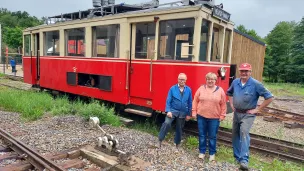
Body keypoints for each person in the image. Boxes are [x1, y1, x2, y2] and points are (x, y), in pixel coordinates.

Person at [227, 63, 274, 170]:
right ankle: (237, 156)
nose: (244, 73)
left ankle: (244, 160)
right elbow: (229, 93)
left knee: (244, 133)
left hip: (248, 114)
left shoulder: (256, 84)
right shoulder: (235, 82)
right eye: (242, 71)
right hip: (237, 113)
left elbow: (270, 97)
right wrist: (231, 104)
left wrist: (258, 109)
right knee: (235, 134)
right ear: (239, 72)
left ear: (250, 72)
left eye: (246, 71)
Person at [192, 72, 227, 162]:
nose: (210, 81)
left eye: (212, 79)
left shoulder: (220, 90)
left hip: (214, 118)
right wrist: (194, 111)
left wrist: (223, 115)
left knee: (212, 136)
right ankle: (202, 152)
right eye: (208, 79)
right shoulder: (201, 89)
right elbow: (195, 101)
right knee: (202, 135)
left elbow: (223, 104)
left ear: (215, 80)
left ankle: (212, 154)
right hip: (201, 116)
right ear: (206, 80)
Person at [158, 73, 192, 150]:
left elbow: (190, 102)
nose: (181, 81)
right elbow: (168, 101)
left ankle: (177, 144)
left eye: (183, 79)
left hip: (183, 112)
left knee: (179, 128)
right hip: (172, 111)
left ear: (186, 80)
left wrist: (188, 114)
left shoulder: (189, 90)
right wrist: (168, 111)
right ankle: (160, 140)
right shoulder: (172, 89)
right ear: (178, 79)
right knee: (166, 123)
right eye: (180, 79)